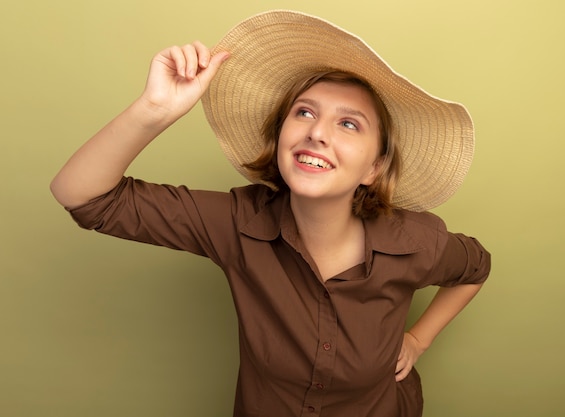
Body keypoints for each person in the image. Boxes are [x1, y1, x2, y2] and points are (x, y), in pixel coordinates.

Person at [50, 10, 490, 417]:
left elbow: (476, 267)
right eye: (304, 113)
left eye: (348, 123)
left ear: (374, 168)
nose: (317, 132)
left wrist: (417, 339)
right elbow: (83, 197)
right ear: (282, 137)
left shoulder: (416, 242)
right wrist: (155, 110)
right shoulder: (237, 222)